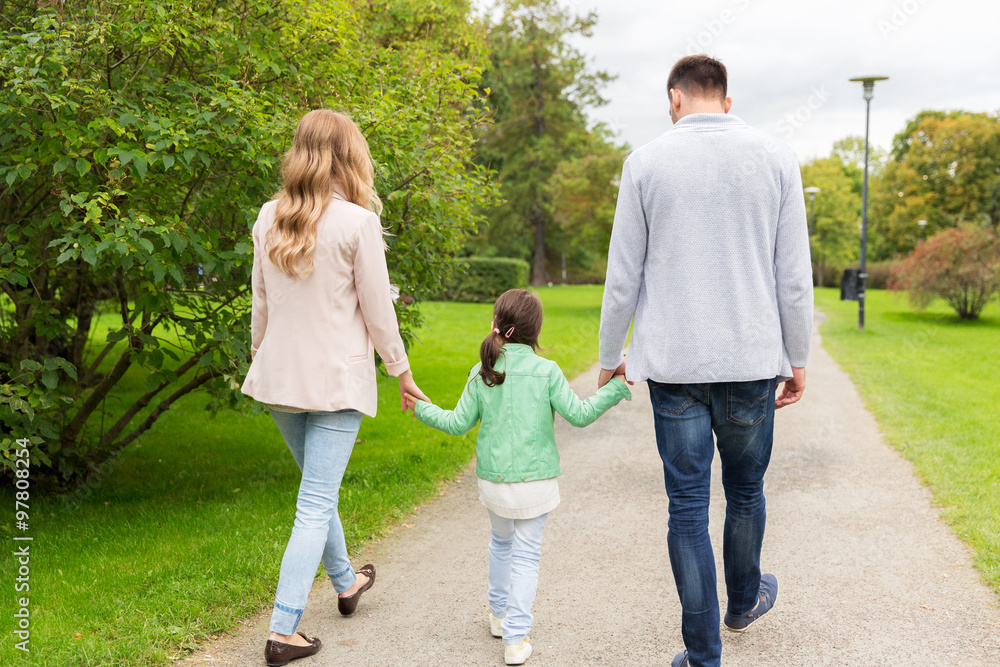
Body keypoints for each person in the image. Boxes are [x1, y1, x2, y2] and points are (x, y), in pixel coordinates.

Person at [597, 55, 814, 667]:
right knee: (746, 492)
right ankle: (743, 600)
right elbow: (793, 277)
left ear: (675, 98)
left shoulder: (644, 164)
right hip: (750, 361)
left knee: (687, 507)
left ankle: (702, 654)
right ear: (725, 99)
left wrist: (611, 355)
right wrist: (798, 358)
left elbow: (623, 276)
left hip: (675, 367)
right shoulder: (775, 158)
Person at [241, 109, 429, 667]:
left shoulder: (267, 217)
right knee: (315, 500)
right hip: (335, 382)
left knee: (314, 493)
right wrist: (401, 370)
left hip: (278, 377)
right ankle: (283, 630)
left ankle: (347, 583)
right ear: (349, 155)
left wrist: (261, 359)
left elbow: (260, 305)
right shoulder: (356, 223)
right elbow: (377, 311)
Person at [403, 289, 631, 666]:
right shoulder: (547, 371)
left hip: (493, 484)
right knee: (526, 556)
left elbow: (457, 422)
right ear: (535, 330)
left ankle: (498, 615)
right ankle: (515, 638)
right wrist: (615, 389)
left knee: (500, 542)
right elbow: (579, 414)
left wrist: (422, 408)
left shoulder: (483, 371)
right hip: (535, 484)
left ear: (496, 324)